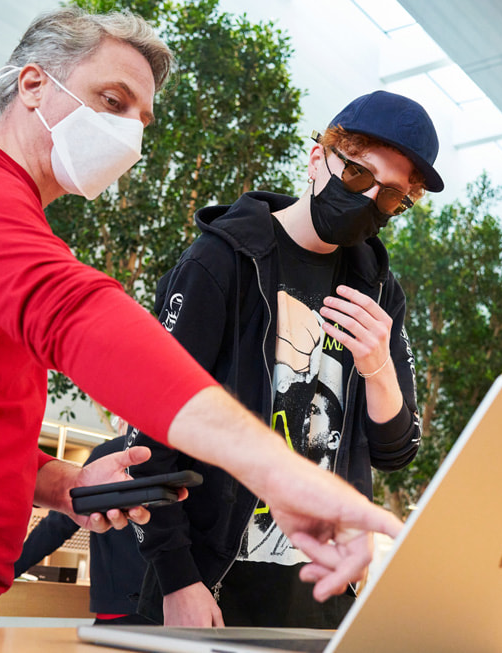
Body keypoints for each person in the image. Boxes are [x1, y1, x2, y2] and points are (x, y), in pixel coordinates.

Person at [0, 7, 401, 627]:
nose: (130, 133)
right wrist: (278, 471)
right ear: (33, 84)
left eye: (142, 119)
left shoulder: (20, 230)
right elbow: (81, 316)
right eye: (113, 101)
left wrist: (64, 483)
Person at [127, 90, 441, 627]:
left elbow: (396, 451)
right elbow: (150, 435)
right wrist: (178, 578)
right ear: (318, 158)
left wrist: (378, 368)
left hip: (321, 593)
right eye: (358, 176)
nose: (370, 200)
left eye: (391, 197)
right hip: (209, 582)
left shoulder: (379, 291)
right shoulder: (223, 260)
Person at [13, 436, 154, 625]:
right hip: (173, 603)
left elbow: (57, 526)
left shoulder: (110, 453)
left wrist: (9, 570)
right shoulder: (179, 455)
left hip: (119, 605)